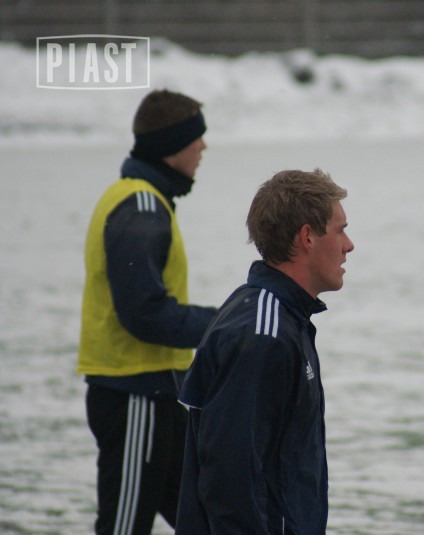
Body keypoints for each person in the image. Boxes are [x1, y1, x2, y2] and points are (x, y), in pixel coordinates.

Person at [175, 169, 354, 534]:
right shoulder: (264, 336)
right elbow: (231, 478)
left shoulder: (283, 318)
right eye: (340, 231)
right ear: (307, 236)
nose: (349, 245)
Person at [77, 89, 218, 534]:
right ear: (171, 145)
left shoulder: (148, 200)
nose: (203, 146)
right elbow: (144, 314)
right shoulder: (140, 206)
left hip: (161, 395)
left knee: (209, 523)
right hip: (134, 396)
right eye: (196, 137)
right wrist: (221, 326)